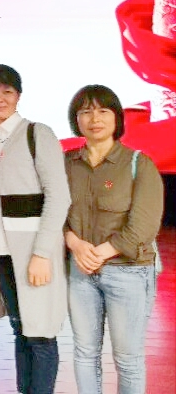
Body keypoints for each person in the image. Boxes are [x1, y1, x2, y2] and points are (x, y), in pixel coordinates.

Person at [0, 64, 70, 394]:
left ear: (18, 96)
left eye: (7, 91)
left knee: (41, 335)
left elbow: (59, 197)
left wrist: (42, 254)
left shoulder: (36, 134)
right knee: (20, 329)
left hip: (33, 253)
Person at [64, 85, 163, 394]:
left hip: (129, 272)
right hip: (80, 272)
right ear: (76, 119)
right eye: (86, 111)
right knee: (85, 353)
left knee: (128, 359)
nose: (95, 119)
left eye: (103, 111)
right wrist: (75, 244)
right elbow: (54, 214)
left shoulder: (138, 164)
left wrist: (101, 252)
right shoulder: (66, 163)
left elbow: (144, 226)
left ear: (117, 118)